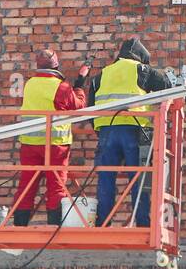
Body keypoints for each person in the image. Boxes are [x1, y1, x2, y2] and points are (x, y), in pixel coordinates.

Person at [88, 38, 177, 227]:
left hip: (107, 132)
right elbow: (169, 88)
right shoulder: (142, 70)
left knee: (106, 178)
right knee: (138, 178)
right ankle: (143, 221)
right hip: (133, 130)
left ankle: (103, 222)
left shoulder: (102, 74)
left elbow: (90, 107)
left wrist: (100, 130)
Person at [13, 48, 89, 226]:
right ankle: (54, 227)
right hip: (55, 145)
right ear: (56, 65)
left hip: (30, 143)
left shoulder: (30, 83)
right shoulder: (60, 86)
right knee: (56, 187)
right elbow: (78, 106)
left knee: (27, 186)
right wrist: (80, 83)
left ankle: (19, 227)